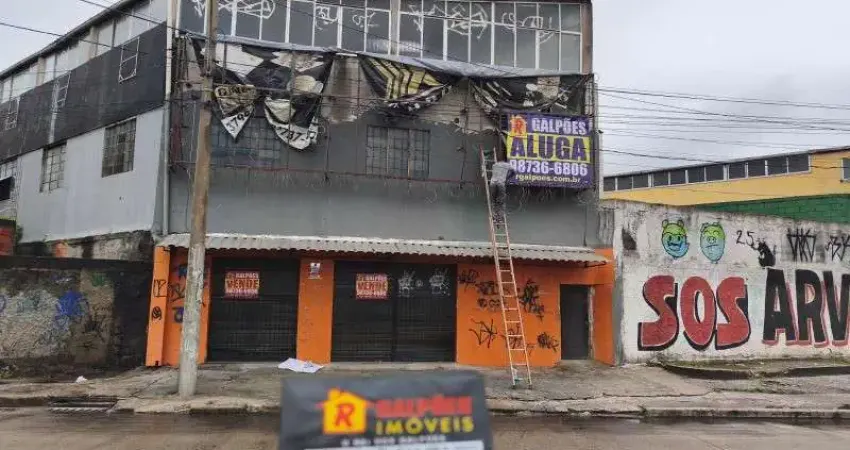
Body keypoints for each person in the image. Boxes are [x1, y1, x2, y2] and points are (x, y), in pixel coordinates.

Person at [489, 160, 515, 225]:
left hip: (492, 184)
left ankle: (494, 218)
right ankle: (500, 219)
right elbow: (514, 171)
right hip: (501, 184)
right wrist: (507, 177)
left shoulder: (494, 165)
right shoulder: (507, 165)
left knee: (493, 201)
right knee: (501, 202)